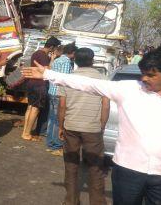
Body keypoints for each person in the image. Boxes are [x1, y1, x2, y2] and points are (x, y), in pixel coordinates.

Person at [22, 49, 161, 204]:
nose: (144, 78)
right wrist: (48, 75)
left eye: (151, 75)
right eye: (143, 73)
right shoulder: (128, 89)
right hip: (128, 170)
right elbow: (88, 84)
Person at [57, 48, 109, 204]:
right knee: (96, 168)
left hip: (71, 126)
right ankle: (98, 202)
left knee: (71, 165)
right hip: (92, 128)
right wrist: (102, 125)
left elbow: (62, 106)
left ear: (75, 60)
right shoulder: (102, 79)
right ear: (92, 60)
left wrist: (61, 126)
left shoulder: (67, 79)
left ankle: (71, 201)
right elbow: (105, 106)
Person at [21, 36, 61, 141]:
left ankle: (25, 132)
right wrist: (52, 60)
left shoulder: (36, 53)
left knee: (30, 108)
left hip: (31, 83)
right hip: (39, 85)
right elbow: (47, 70)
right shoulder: (43, 55)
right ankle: (27, 134)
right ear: (52, 47)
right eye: (55, 47)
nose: (55, 50)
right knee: (35, 109)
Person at [46, 43, 77, 156]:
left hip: (52, 91)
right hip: (59, 94)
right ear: (72, 53)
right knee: (58, 120)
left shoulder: (57, 60)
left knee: (52, 119)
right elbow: (63, 80)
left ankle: (50, 143)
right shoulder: (65, 62)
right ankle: (56, 145)